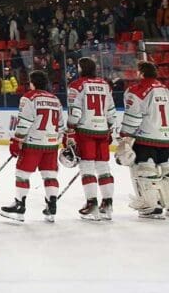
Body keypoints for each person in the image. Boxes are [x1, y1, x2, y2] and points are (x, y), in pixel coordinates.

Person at [1, 70, 66, 223]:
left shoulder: (29, 97)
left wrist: (16, 140)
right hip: (51, 144)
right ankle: (51, 207)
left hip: (33, 144)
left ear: (32, 83)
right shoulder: (55, 99)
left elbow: (24, 122)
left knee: (22, 174)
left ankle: (19, 206)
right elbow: (61, 125)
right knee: (50, 176)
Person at [66, 57, 116, 220]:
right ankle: (107, 205)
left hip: (85, 131)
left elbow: (75, 111)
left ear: (81, 69)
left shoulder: (76, 85)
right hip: (102, 130)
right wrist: (109, 128)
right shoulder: (105, 84)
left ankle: (92, 204)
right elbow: (111, 111)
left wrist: (71, 128)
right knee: (103, 167)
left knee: (87, 167)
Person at [117, 61, 169, 219]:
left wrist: (125, 134)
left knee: (146, 171)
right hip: (166, 137)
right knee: (167, 171)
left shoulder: (137, 90)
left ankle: (151, 205)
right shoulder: (165, 90)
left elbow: (133, 116)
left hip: (146, 138)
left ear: (141, 73)